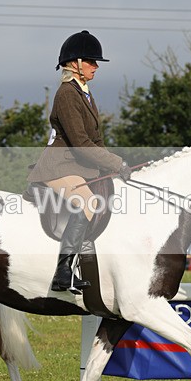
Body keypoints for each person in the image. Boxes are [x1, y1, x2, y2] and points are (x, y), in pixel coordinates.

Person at [27, 30, 131, 293]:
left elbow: (96, 140)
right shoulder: (66, 93)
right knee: (87, 201)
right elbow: (80, 142)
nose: (96, 66)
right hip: (57, 166)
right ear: (76, 63)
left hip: (77, 166)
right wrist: (116, 162)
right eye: (92, 62)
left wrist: (110, 165)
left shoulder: (84, 93)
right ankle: (63, 272)